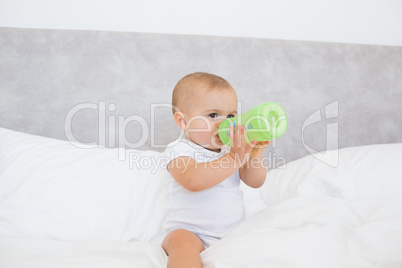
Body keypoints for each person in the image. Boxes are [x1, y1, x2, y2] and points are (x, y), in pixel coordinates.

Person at [162, 72, 270, 268]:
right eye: (213, 115)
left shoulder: (232, 150)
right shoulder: (179, 150)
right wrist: (233, 158)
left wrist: (254, 155)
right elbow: (193, 181)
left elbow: (255, 181)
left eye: (230, 116)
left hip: (231, 232)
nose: (225, 123)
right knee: (181, 242)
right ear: (183, 121)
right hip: (191, 232)